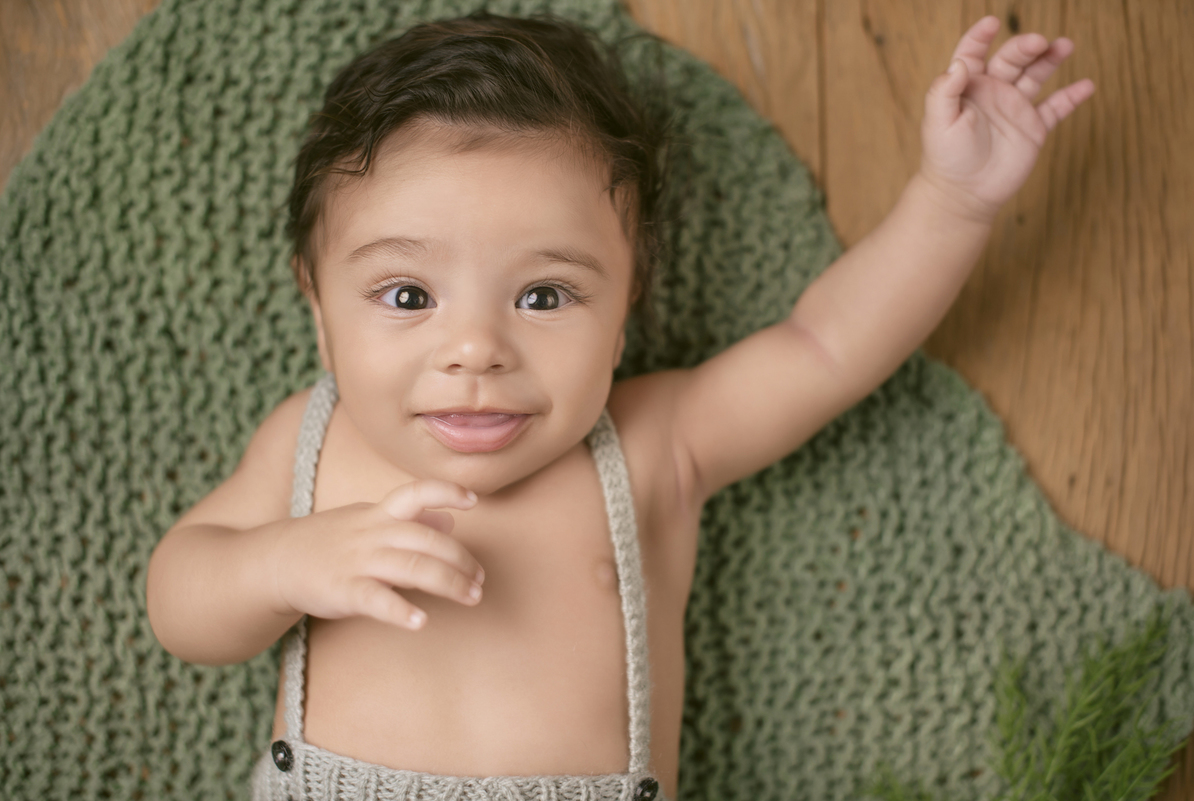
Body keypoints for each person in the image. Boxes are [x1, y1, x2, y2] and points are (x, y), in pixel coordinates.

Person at [144, 11, 1093, 801]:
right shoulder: (310, 446)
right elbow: (180, 595)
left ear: (626, 304)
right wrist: (280, 562)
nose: (475, 349)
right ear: (317, 308)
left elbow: (826, 347)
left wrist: (955, 199)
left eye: (545, 295)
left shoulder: (650, 444)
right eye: (407, 295)